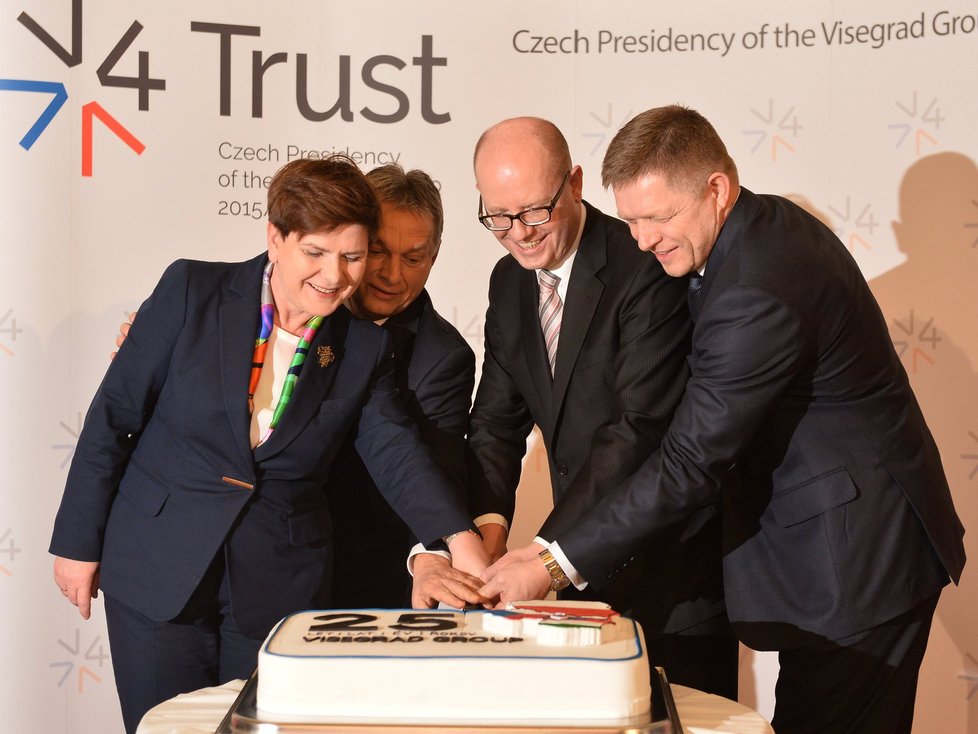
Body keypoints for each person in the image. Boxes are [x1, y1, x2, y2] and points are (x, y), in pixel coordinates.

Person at [482, 106, 966, 734]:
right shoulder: (754, 231)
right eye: (631, 221)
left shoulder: (755, 286)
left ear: (717, 189)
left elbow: (690, 459)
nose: (644, 241)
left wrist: (548, 562)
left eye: (660, 218)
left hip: (857, 562)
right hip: (831, 554)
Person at [49, 156, 488, 733]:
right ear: (276, 238)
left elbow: (398, 452)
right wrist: (78, 543)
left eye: (352, 256)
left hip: (275, 583)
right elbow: (115, 416)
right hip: (159, 565)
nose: (335, 276)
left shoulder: (361, 347)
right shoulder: (192, 290)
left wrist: (458, 538)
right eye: (316, 253)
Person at [459, 116, 737, 698]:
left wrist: (543, 557)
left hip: (672, 576)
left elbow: (635, 429)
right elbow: (494, 423)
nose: (519, 234)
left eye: (535, 211)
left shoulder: (643, 264)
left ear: (576, 183)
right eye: (498, 217)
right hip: (580, 582)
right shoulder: (508, 282)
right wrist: (486, 533)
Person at [328, 163, 502, 609]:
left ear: (435, 255)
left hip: (370, 574)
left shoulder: (443, 356)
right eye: (379, 251)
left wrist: (431, 555)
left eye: (413, 258)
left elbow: (435, 464)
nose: (392, 274)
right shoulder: (301, 308)